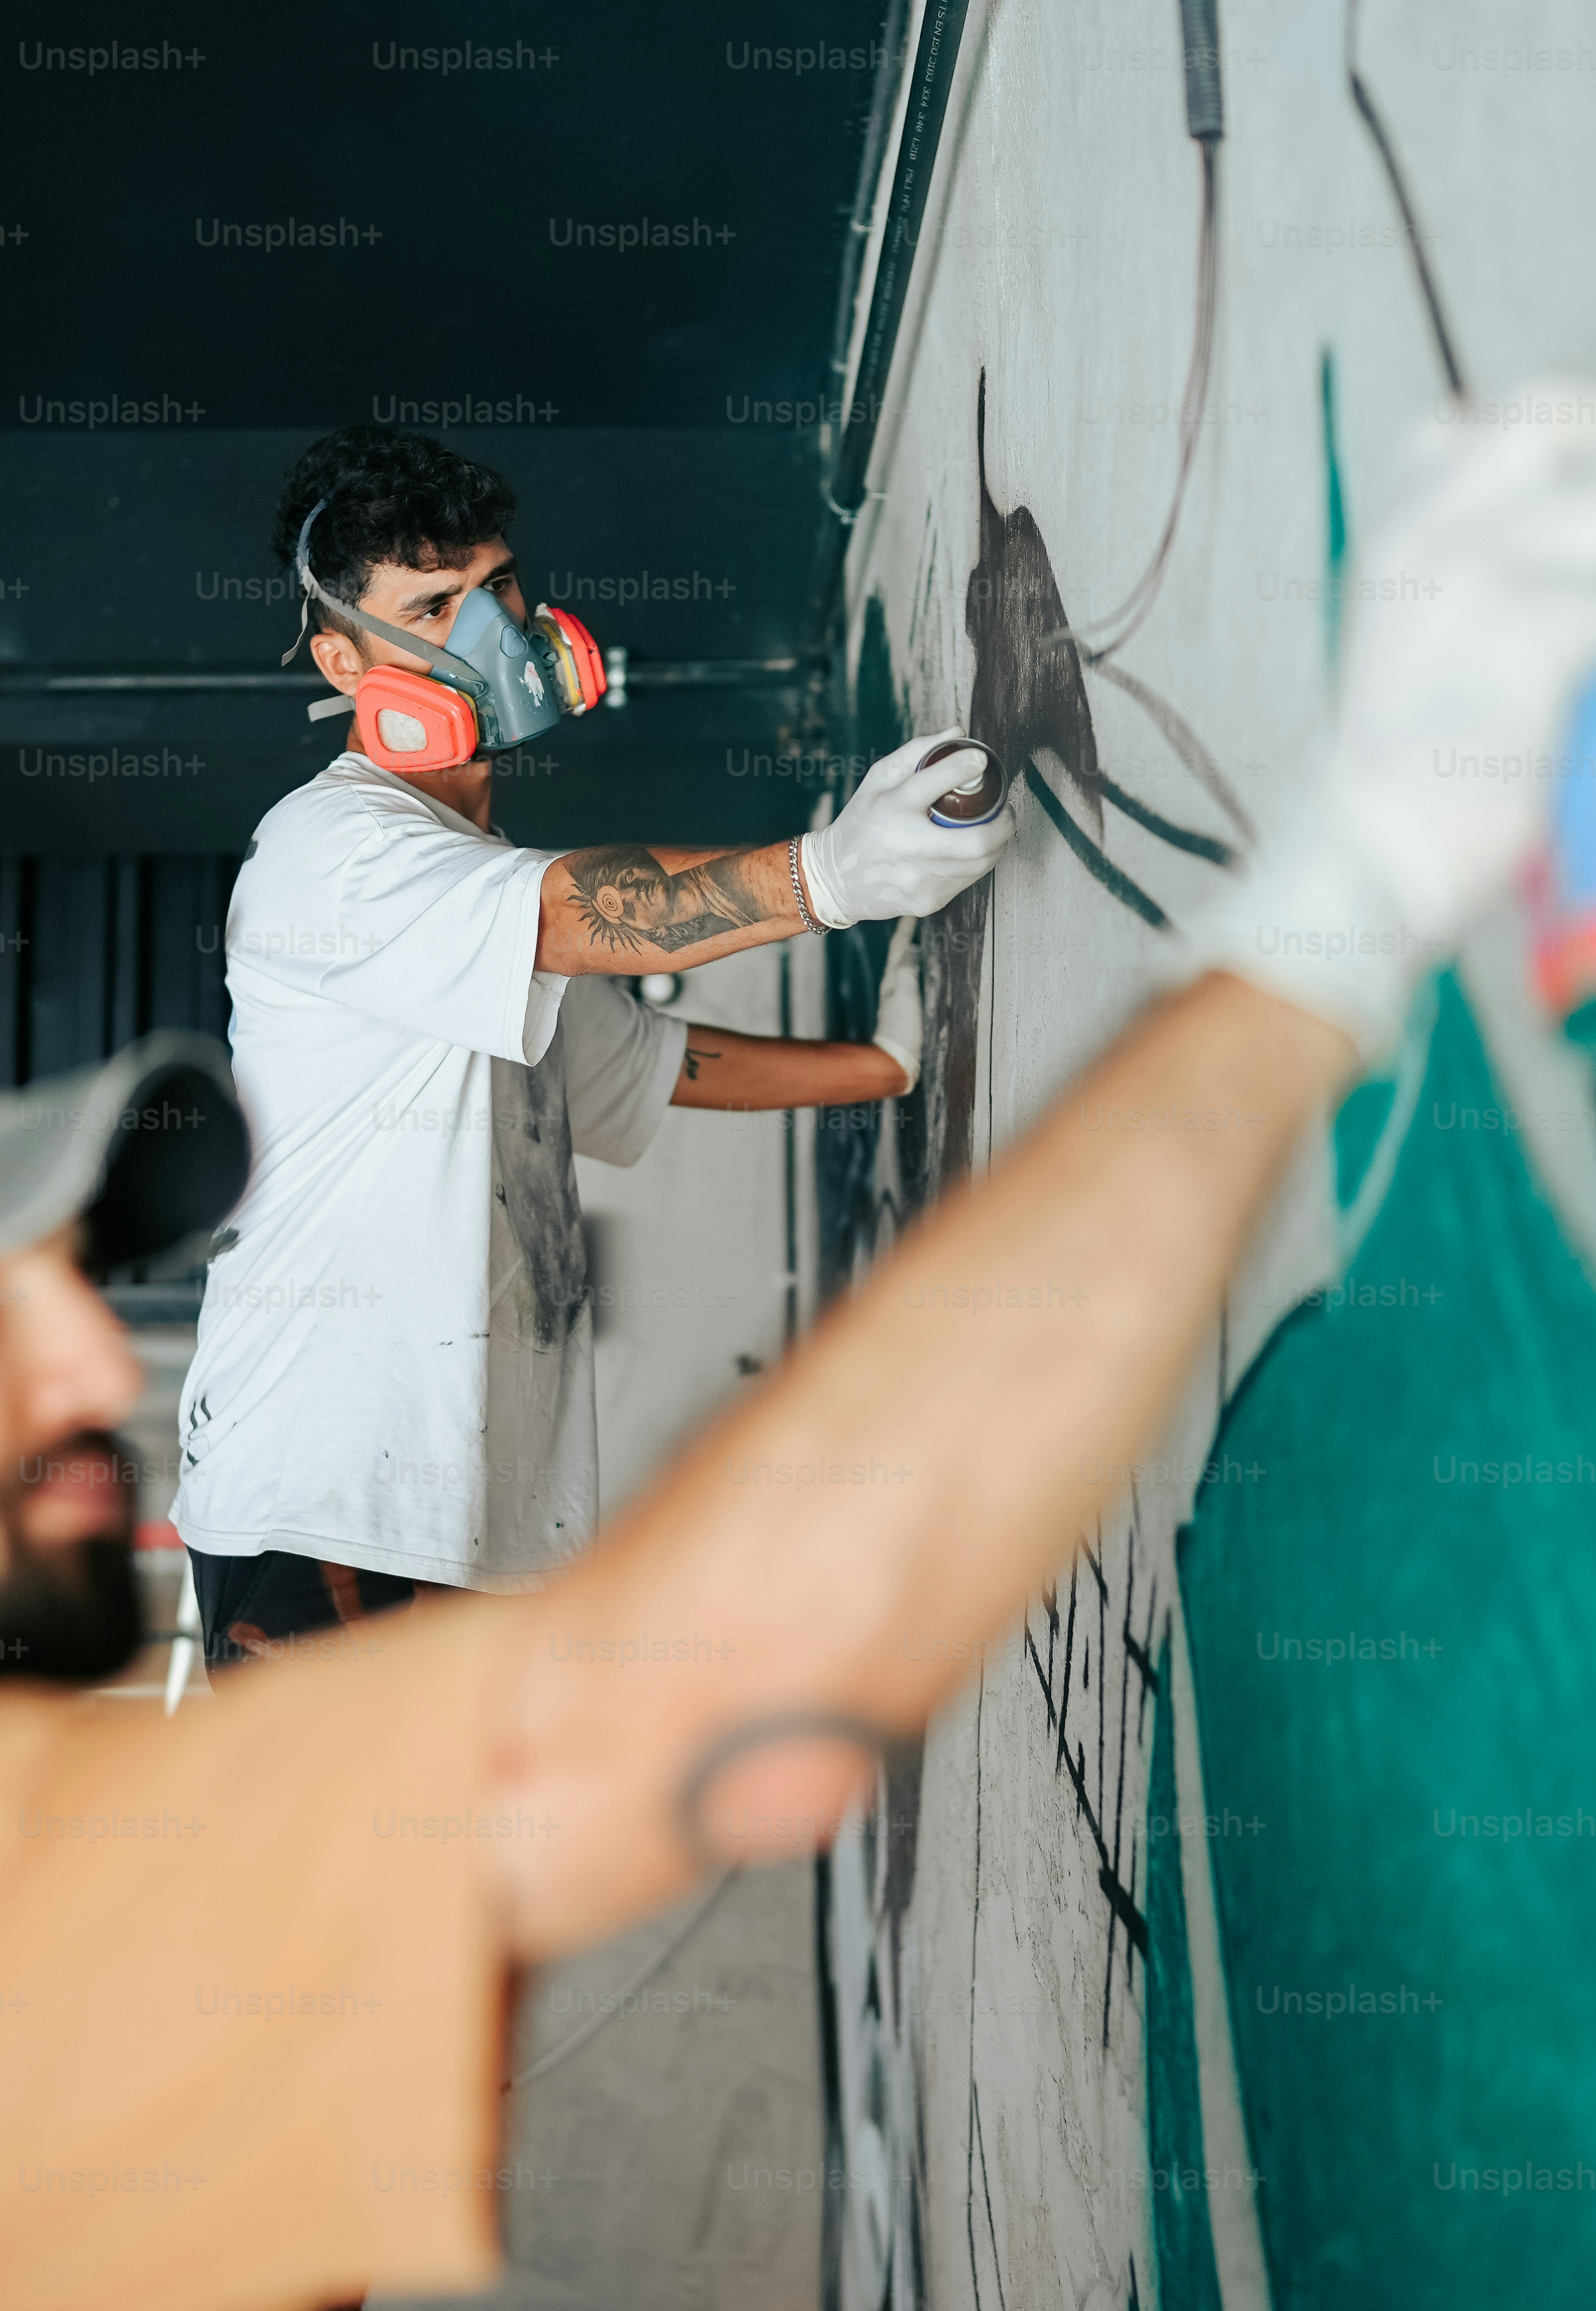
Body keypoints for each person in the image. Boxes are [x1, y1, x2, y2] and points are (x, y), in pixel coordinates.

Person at [0, 375, 1596, 2311]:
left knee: (331, 2060)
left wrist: (890, 1055)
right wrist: (1330, 901)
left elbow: (637, 1053)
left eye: (60, 1264)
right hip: (352, 1502)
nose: (77, 1349)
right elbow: (719, 1670)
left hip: (421, 1514)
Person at [168, 426, 1010, 1662]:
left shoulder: (475, 898)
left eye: (496, 583)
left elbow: (652, 1061)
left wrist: (881, 1066)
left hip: (470, 1529)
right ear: (348, 661)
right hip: (323, 1510)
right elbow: (587, 912)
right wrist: (830, 875)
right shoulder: (331, 852)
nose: (490, 627)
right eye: (435, 601)